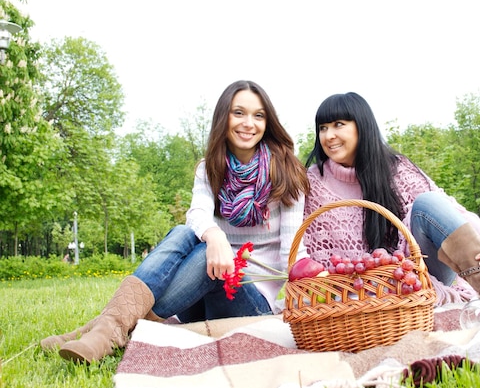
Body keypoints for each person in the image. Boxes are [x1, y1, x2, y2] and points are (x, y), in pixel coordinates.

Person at [40, 80, 309, 363]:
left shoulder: (287, 172)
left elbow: (293, 252)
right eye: (238, 112)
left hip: (250, 304)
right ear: (224, 118)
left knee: (204, 250)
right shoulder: (211, 168)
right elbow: (197, 215)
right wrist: (216, 236)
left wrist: (299, 298)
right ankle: (108, 328)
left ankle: (102, 330)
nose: (248, 123)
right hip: (199, 295)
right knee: (184, 232)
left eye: (258, 115)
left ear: (268, 122)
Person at [303, 92, 480, 306]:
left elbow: (446, 208)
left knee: (427, 202)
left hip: (424, 271)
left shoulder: (397, 168)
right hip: (365, 291)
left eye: (338, 125)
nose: (328, 135)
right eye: (322, 128)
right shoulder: (312, 182)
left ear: (361, 126)